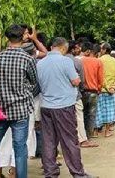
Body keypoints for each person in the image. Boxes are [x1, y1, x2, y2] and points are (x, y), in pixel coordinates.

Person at [0, 25, 38, 178]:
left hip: (0, 109)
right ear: (23, 38)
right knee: (20, 149)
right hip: (20, 110)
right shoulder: (28, 58)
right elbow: (34, 81)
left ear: (7, 38)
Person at [36, 38, 95, 178]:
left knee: (48, 141)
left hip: (46, 106)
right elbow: (75, 81)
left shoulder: (40, 63)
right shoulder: (66, 61)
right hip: (64, 106)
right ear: (64, 48)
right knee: (69, 140)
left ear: (51, 47)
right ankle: (78, 173)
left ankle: (50, 172)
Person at [80, 42, 104, 140]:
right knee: (91, 115)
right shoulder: (98, 62)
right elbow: (100, 79)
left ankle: (82, 136)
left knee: (81, 114)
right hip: (94, 91)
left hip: (82, 91)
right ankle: (89, 135)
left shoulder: (81, 61)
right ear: (97, 52)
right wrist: (99, 89)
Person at [97, 43, 115, 137]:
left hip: (101, 89)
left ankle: (96, 131)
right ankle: (107, 131)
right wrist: (113, 87)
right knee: (110, 110)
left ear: (104, 50)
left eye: (101, 49)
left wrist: (106, 86)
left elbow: (100, 76)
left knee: (100, 110)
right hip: (112, 90)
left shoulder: (99, 60)